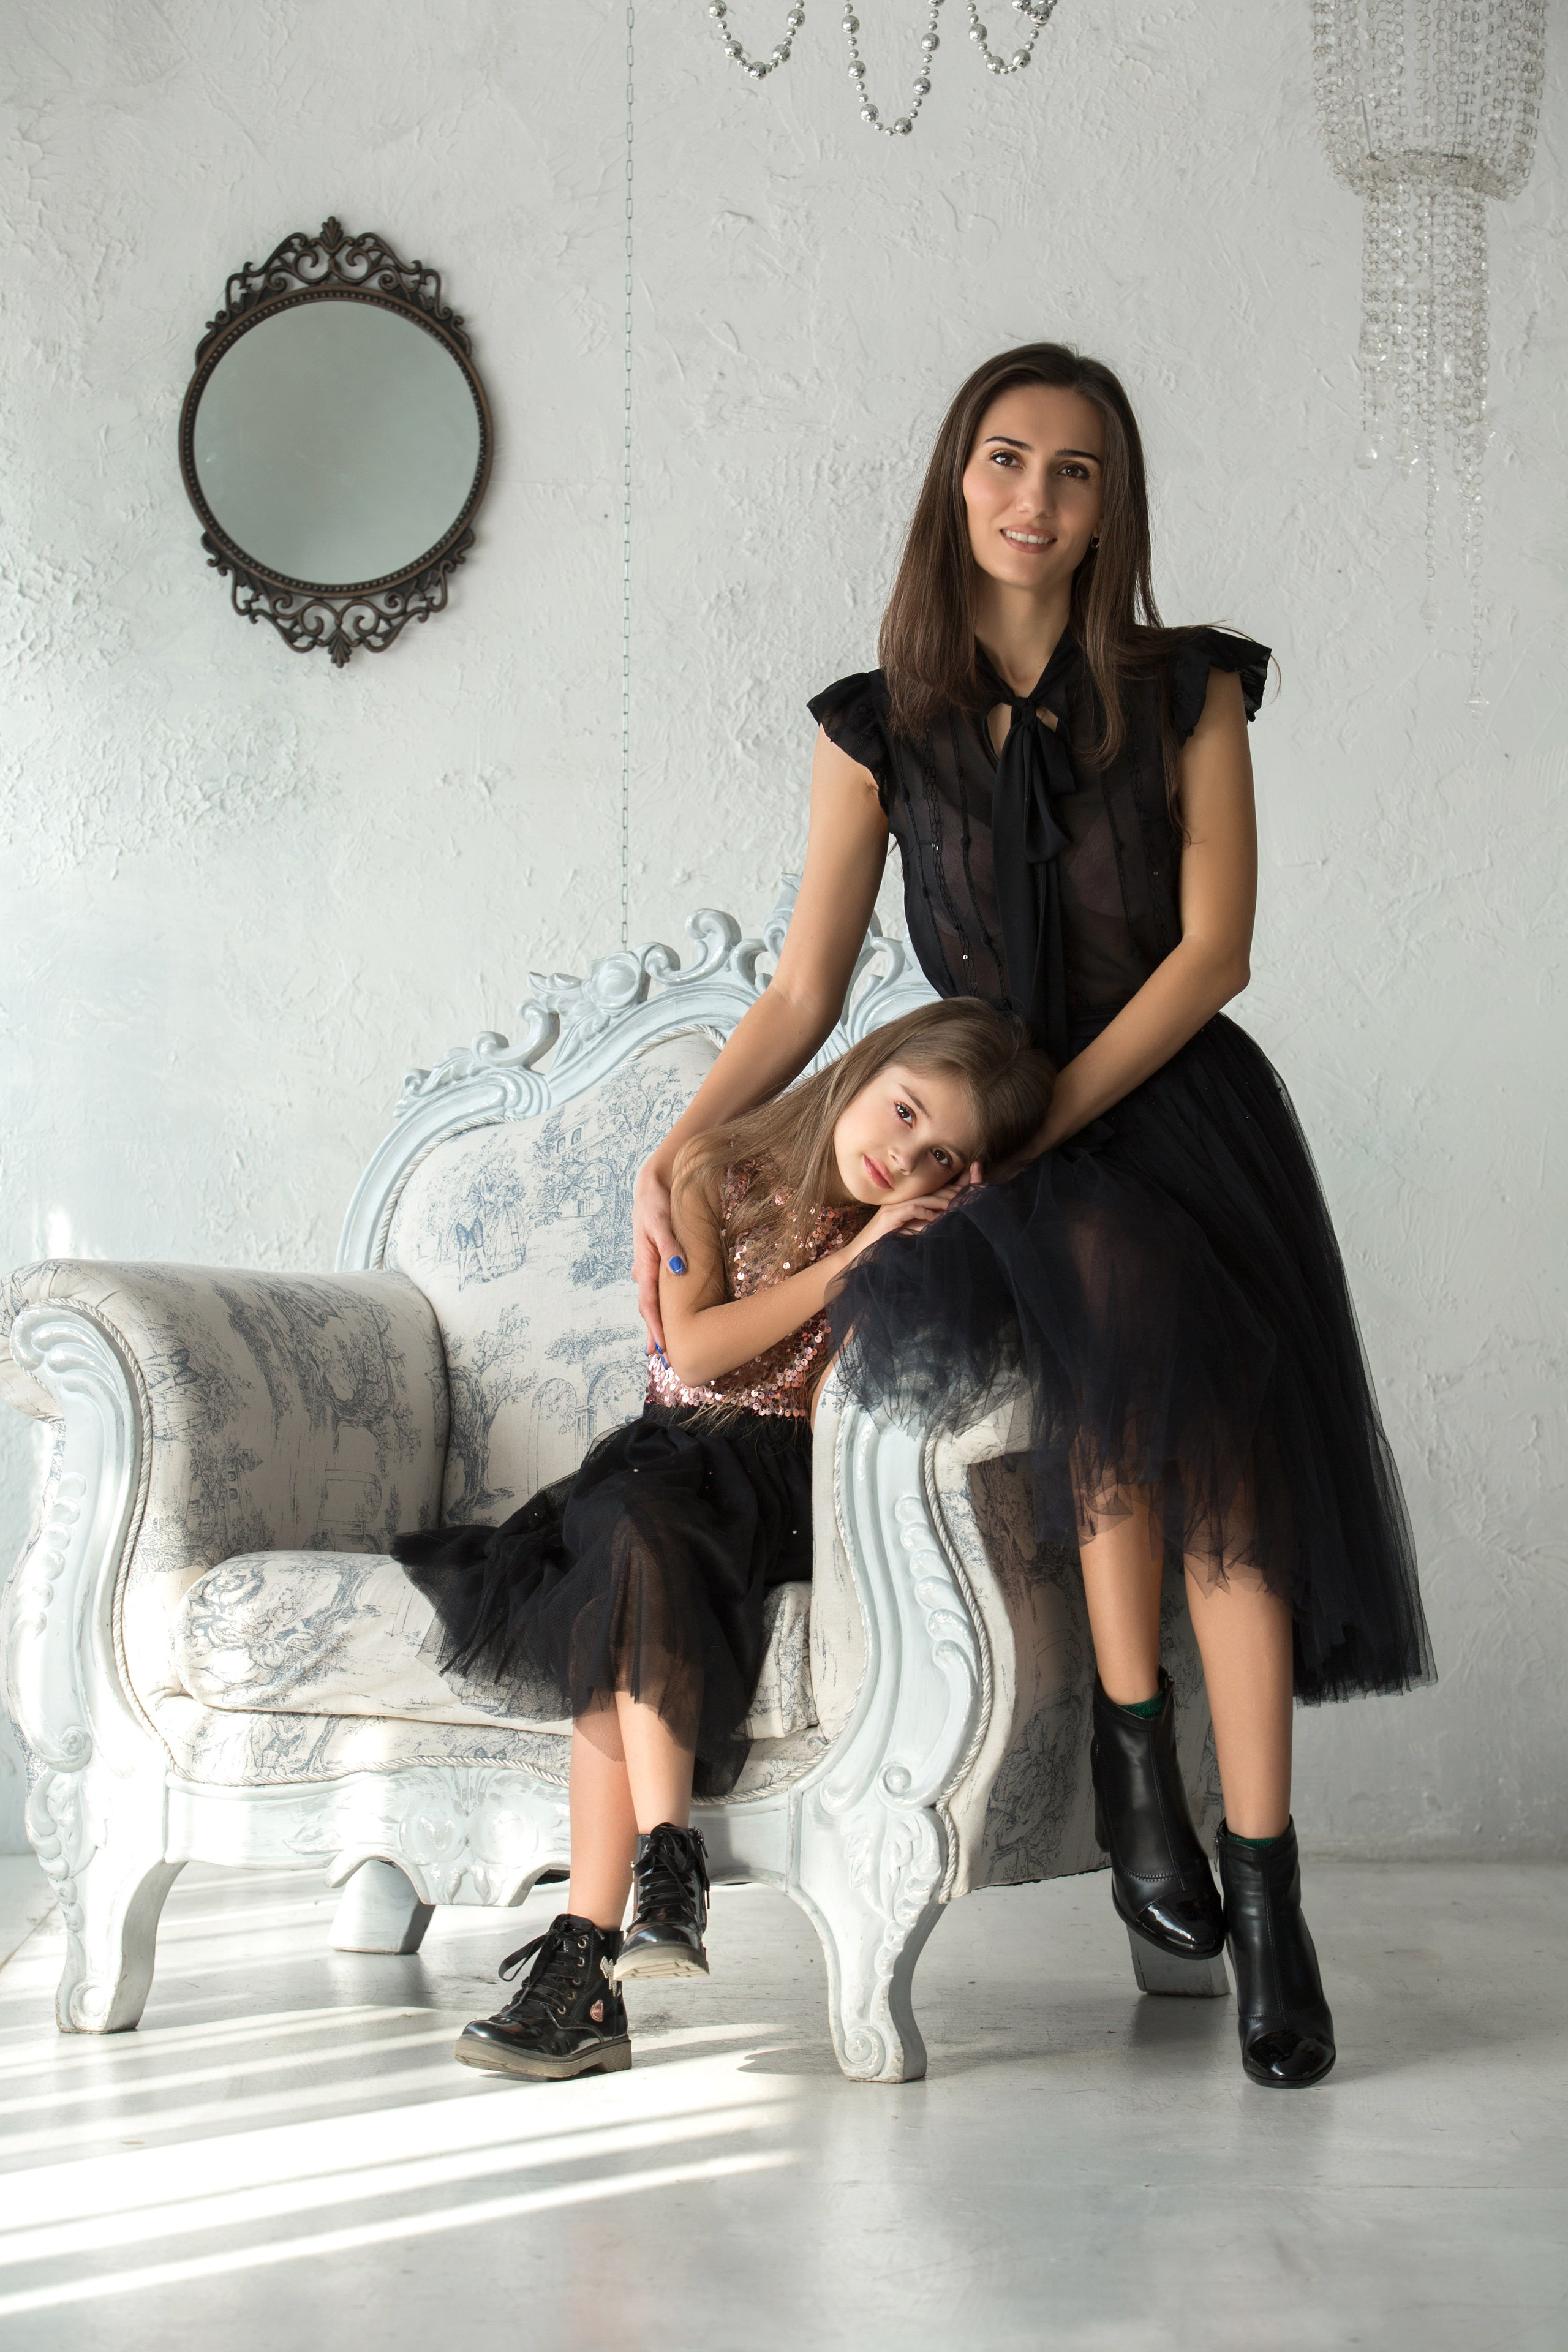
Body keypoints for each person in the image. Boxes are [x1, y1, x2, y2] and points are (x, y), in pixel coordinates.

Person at [632, 342, 1433, 2091]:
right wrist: (672, 1149)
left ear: (1110, 504)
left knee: (1223, 1467)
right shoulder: (876, 727)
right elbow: (803, 993)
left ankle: (1263, 1890)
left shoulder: (1188, 690)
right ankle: (1134, 1762)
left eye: (1076, 471)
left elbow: (1213, 956)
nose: (1035, 499)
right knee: (1111, 1362)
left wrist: (1051, 1125)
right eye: (1006, 459)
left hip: (1172, 1118)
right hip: (988, 1137)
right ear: (956, 477)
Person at [394, 1000, 1054, 2080]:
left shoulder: (909, 1233)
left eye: (940, 1154)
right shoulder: (715, 1171)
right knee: (626, 1540)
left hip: (785, 1492)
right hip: (673, 1458)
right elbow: (696, 1353)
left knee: (626, 1560)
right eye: (904, 1112)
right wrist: (850, 1260)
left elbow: (865, 1385)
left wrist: (916, 1246)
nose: (904, 1159)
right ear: (865, 1068)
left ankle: (587, 1966)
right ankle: (667, 1867)